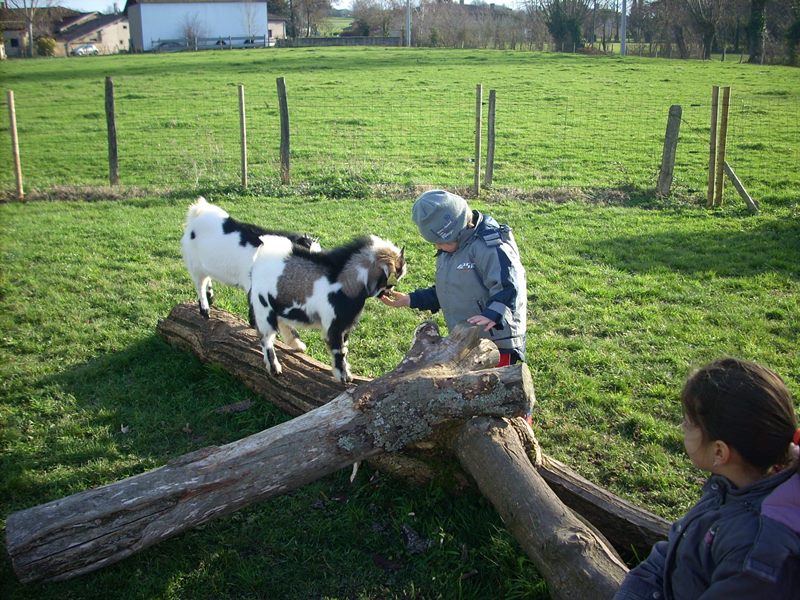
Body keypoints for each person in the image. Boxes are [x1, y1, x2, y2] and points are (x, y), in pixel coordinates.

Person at [615, 357, 800, 600]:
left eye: (689, 423)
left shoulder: (755, 556)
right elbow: (671, 552)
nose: (682, 426)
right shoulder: (731, 487)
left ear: (719, 452)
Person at [380, 189, 527, 366]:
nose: (437, 247)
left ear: (457, 231)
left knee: (494, 381)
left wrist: (493, 313)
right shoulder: (448, 252)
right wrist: (410, 299)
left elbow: (511, 284)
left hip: (496, 341)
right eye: (434, 243)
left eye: (441, 242)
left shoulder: (490, 247)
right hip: (467, 341)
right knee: (469, 382)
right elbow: (449, 291)